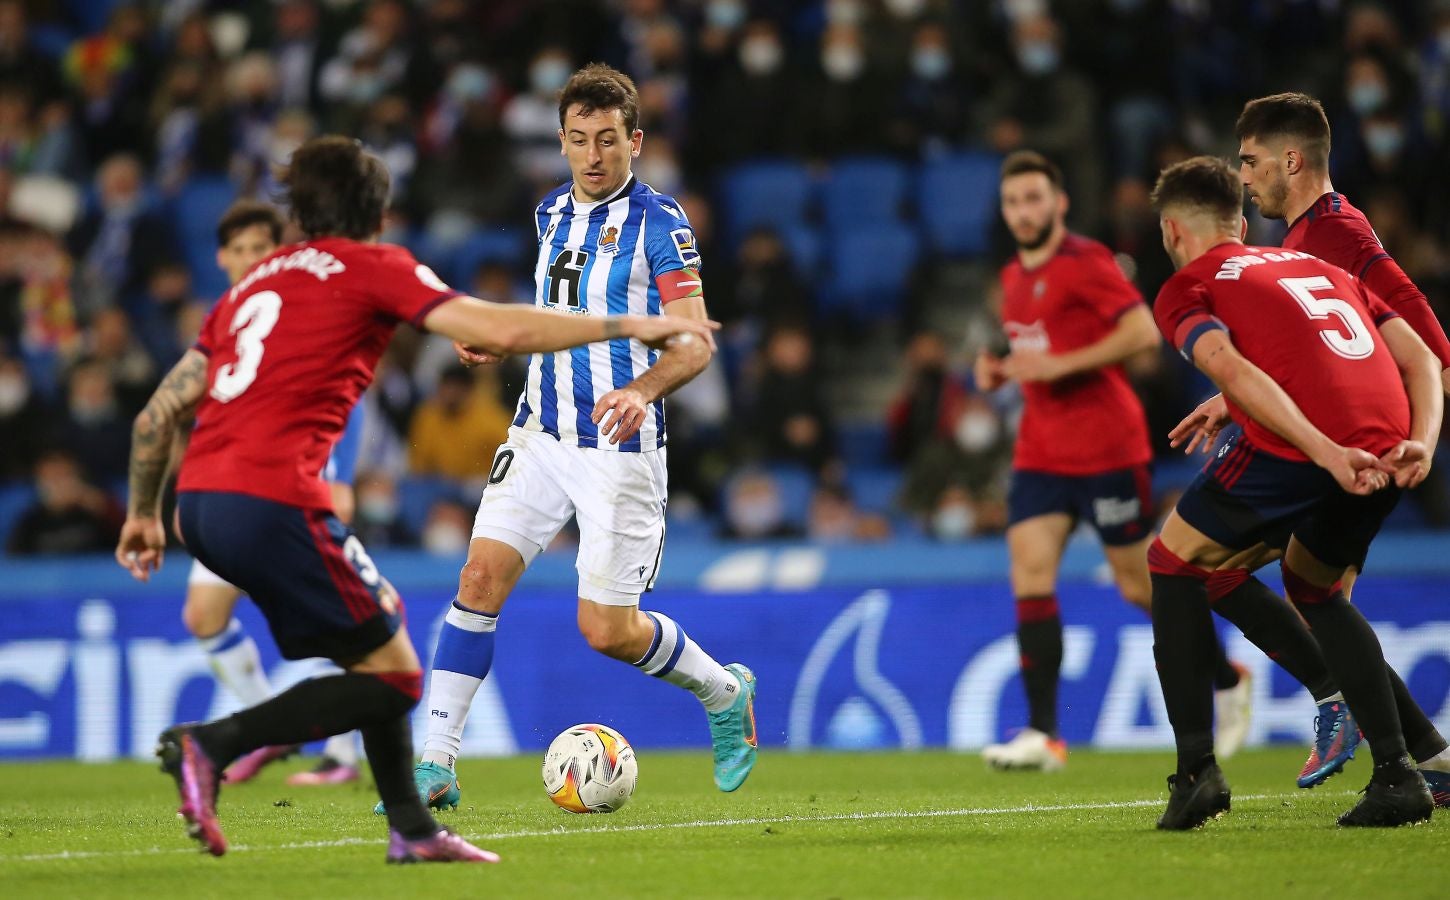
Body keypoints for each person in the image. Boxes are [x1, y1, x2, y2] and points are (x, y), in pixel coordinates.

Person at [115, 135, 719, 862]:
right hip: (271, 498)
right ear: (378, 211)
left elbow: (155, 416)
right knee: (396, 674)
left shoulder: (257, 283)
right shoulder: (372, 265)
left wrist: (144, 514)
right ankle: (211, 746)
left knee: (381, 651)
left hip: (195, 504)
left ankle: (412, 829)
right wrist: (634, 323)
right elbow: (500, 324)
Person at [396, 64, 756, 814]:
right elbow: (559, 314)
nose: (594, 156)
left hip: (617, 452)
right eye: (580, 140)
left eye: (609, 141)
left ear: (637, 142)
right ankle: (434, 765)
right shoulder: (550, 212)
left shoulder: (662, 225)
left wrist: (641, 389)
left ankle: (724, 691)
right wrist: (506, 345)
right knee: (477, 582)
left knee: (607, 630)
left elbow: (694, 344)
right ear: (561, 142)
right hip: (539, 431)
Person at [1171, 92, 1450, 804]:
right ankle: (1426, 758)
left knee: (1216, 568)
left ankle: (1341, 703)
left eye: (1252, 161)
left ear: (1291, 160)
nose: (1245, 178)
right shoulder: (1302, 241)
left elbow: (1428, 343)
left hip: (1359, 448)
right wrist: (1228, 401)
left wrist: (1407, 437)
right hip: (1361, 440)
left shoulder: (1338, 236)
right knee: (1307, 592)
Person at [974, 150, 1250, 771]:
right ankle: (1044, 734)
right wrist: (995, 369)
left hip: (1106, 448)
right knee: (1030, 575)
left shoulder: (1087, 262)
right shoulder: (1013, 278)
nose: (1024, 212)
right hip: (1042, 451)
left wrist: (1060, 365)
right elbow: (1026, 348)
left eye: (1034, 199)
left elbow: (1140, 332)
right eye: (1014, 202)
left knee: (1138, 586)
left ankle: (1229, 679)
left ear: (1059, 203)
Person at [179, 200, 366, 788]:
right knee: (204, 614)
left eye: (258, 249)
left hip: (294, 487)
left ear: (279, 252)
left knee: (330, 622)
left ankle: (343, 753)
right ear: (220, 259)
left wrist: (339, 477)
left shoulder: (301, 306)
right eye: (237, 251)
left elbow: (340, 396)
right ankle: (274, 728)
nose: (248, 260)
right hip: (232, 487)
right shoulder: (224, 317)